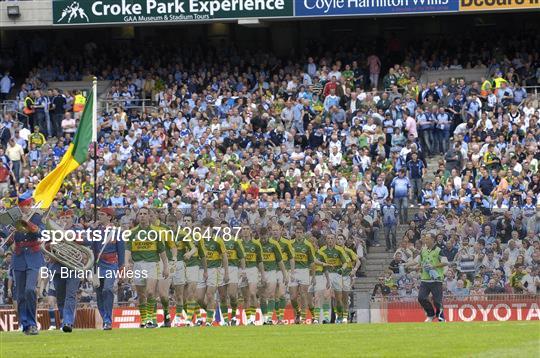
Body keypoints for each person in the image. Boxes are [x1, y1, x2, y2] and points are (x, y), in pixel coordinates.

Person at [3, 201, 45, 335]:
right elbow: (9, 238)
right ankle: (24, 323)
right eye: (21, 206)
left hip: (33, 257)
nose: (24, 208)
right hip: (19, 257)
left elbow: (42, 233)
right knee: (20, 294)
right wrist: (4, 246)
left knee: (30, 290)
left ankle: (33, 323)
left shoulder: (37, 217)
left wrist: (29, 224)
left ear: (30, 205)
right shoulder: (13, 220)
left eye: (26, 205)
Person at [125, 207, 170, 328]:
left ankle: (152, 319)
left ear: (149, 216)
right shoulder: (132, 232)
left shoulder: (156, 232)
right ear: (138, 216)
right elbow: (128, 249)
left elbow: (162, 252)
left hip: (152, 264)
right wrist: (126, 263)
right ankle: (144, 319)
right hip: (138, 264)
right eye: (141, 214)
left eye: (145, 214)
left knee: (150, 292)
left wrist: (166, 267)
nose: (143, 216)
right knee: (141, 295)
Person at [92, 208, 125, 330]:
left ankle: (107, 319)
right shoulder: (96, 231)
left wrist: (121, 269)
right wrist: (92, 229)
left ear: (109, 217)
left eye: (102, 214)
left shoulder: (116, 232)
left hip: (111, 264)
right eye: (99, 214)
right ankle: (105, 319)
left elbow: (121, 251)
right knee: (99, 293)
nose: (99, 216)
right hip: (97, 264)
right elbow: (90, 246)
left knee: (107, 289)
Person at [416, 232, 448, 322]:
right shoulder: (423, 250)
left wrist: (434, 266)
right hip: (425, 279)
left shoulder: (438, 250)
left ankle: (441, 318)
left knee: (437, 301)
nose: (425, 240)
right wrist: (413, 267)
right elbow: (420, 263)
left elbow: (445, 262)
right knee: (421, 298)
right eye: (425, 239)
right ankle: (430, 314)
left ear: (433, 240)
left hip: (436, 280)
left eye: (427, 239)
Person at [318, 236, 349, 324]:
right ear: (326, 240)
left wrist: (342, 269)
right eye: (328, 239)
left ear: (334, 240)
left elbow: (345, 263)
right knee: (326, 296)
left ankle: (339, 316)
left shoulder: (339, 249)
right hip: (326, 274)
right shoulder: (322, 250)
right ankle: (326, 318)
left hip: (337, 275)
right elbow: (317, 260)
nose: (330, 240)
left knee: (338, 299)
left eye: (332, 239)